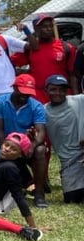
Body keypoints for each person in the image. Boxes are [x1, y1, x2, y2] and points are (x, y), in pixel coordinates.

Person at [0, 74, 48, 208]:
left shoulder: (36, 106)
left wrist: (32, 146)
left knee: (40, 149)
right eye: (22, 92)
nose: (25, 96)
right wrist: (7, 148)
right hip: (7, 142)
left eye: (28, 93)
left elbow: (40, 132)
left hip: (26, 145)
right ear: (14, 87)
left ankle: (39, 193)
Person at [43, 74, 84, 203]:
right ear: (46, 90)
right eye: (53, 89)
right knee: (72, 199)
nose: (58, 93)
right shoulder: (43, 111)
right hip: (70, 163)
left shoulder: (79, 100)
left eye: (62, 90)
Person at [24, 14, 77, 101]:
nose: (49, 29)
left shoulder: (66, 47)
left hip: (61, 95)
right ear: (36, 29)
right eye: (44, 26)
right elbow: (12, 63)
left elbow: (73, 74)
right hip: (38, 97)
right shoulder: (29, 48)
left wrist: (75, 97)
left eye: (50, 26)